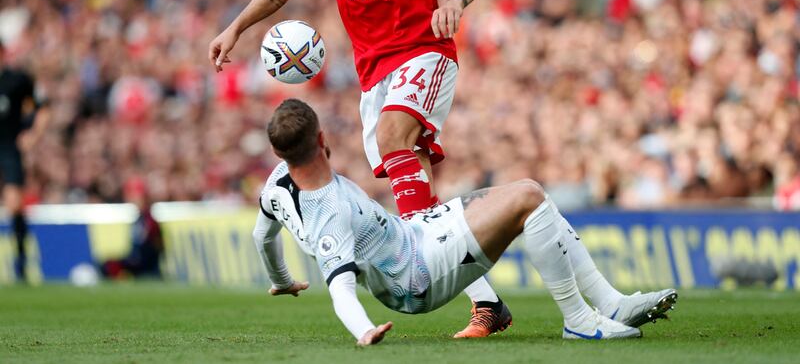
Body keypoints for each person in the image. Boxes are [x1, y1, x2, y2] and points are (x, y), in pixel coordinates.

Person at [209, 0, 508, 337]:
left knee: (394, 139)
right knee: (411, 184)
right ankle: (487, 301)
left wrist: (455, 0)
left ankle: (439, 273)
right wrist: (235, 28)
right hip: (374, 73)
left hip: (422, 50)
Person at [252, 99, 678, 345]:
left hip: (416, 234)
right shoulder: (332, 214)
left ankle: (608, 304)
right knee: (528, 196)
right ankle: (580, 322)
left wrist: (283, 280)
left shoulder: (274, 185)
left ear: (279, 156)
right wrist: (364, 332)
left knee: (531, 194)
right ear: (323, 139)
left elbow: (263, 233)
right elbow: (340, 289)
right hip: (417, 275)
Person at [0, 40, 49, 282]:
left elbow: (42, 106)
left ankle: (21, 262)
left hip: (8, 148)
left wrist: (34, 134)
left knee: (14, 204)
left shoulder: (18, 80)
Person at [100, 178, 164, 279]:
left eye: (135, 196)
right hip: (127, 264)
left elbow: (156, 247)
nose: (132, 200)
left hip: (146, 268)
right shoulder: (121, 218)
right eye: (129, 196)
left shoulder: (150, 220)